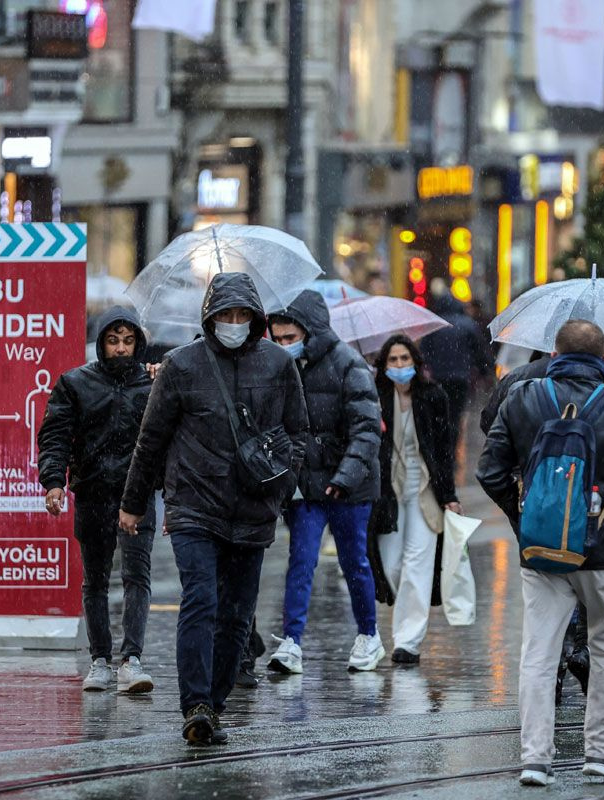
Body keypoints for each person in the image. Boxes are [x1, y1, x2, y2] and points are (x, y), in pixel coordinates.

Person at [476, 319, 604, 787]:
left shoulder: (521, 398)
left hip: (541, 552)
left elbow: (490, 470)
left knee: (539, 652)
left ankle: (535, 759)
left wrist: (524, 519)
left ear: (553, 353)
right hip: (603, 551)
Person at [119, 273, 308, 746]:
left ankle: (215, 703)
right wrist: (133, 503)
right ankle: (195, 703)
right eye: (225, 315)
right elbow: (151, 439)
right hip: (194, 504)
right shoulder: (182, 365)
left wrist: (280, 487)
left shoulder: (279, 365)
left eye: (242, 315)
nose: (233, 323)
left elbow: (299, 434)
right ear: (209, 317)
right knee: (201, 599)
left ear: (256, 318)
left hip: (253, 507)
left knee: (238, 614)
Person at [38, 307, 157, 694]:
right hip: (91, 490)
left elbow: (167, 441)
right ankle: (101, 659)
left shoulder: (153, 384)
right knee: (96, 580)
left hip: (135, 493)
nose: (121, 349)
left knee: (137, 574)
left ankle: (131, 659)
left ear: (137, 343)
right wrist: (54, 481)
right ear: (101, 342)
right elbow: (55, 435)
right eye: (113, 340)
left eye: (128, 341)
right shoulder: (76, 383)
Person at [265, 289, 384, 674]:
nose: (284, 346)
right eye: (277, 339)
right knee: (301, 560)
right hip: (306, 485)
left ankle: (369, 634)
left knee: (354, 563)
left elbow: (366, 430)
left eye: (290, 338)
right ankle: (292, 641)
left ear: (309, 333)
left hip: (349, 486)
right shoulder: (283, 370)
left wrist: (344, 478)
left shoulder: (348, 364)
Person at [365, 335, 461, 666]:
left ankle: (408, 641)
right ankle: (402, 624)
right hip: (387, 493)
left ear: (416, 363)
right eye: (393, 360)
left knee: (418, 565)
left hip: (425, 491)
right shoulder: (373, 398)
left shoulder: (433, 397)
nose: (400, 365)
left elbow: (446, 449)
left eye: (405, 359)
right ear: (383, 365)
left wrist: (449, 495)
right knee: (392, 564)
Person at [418, 292, 492, 453]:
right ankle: (450, 449)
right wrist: (484, 372)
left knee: (438, 415)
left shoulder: (434, 325)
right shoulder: (468, 324)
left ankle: (440, 449)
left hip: (437, 379)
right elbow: (480, 351)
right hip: (460, 378)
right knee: (455, 416)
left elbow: (423, 352)